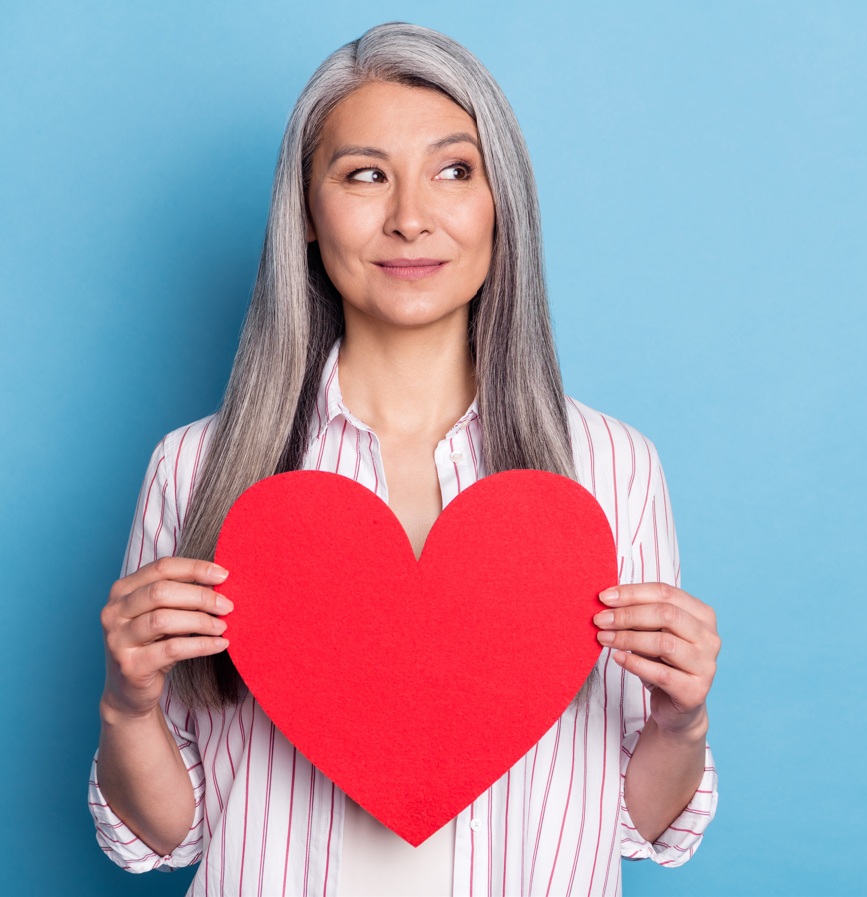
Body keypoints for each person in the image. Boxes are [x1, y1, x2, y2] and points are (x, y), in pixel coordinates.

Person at [89, 21, 720, 897]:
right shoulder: (197, 470)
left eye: (454, 171)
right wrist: (127, 705)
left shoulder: (610, 469)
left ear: (504, 206)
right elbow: (173, 829)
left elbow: (637, 820)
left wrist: (681, 721)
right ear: (307, 214)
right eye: (365, 175)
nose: (411, 216)